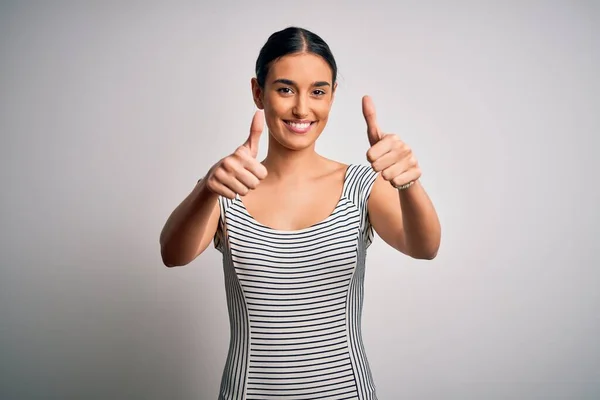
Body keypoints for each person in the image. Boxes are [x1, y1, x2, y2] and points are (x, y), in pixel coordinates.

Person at [160, 26, 441, 400]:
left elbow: (424, 247)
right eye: (285, 89)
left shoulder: (360, 185)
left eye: (318, 92)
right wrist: (207, 187)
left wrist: (409, 183)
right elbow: (172, 255)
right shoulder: (228, 185)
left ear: (332, 96)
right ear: (258, 93)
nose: (302, 108)